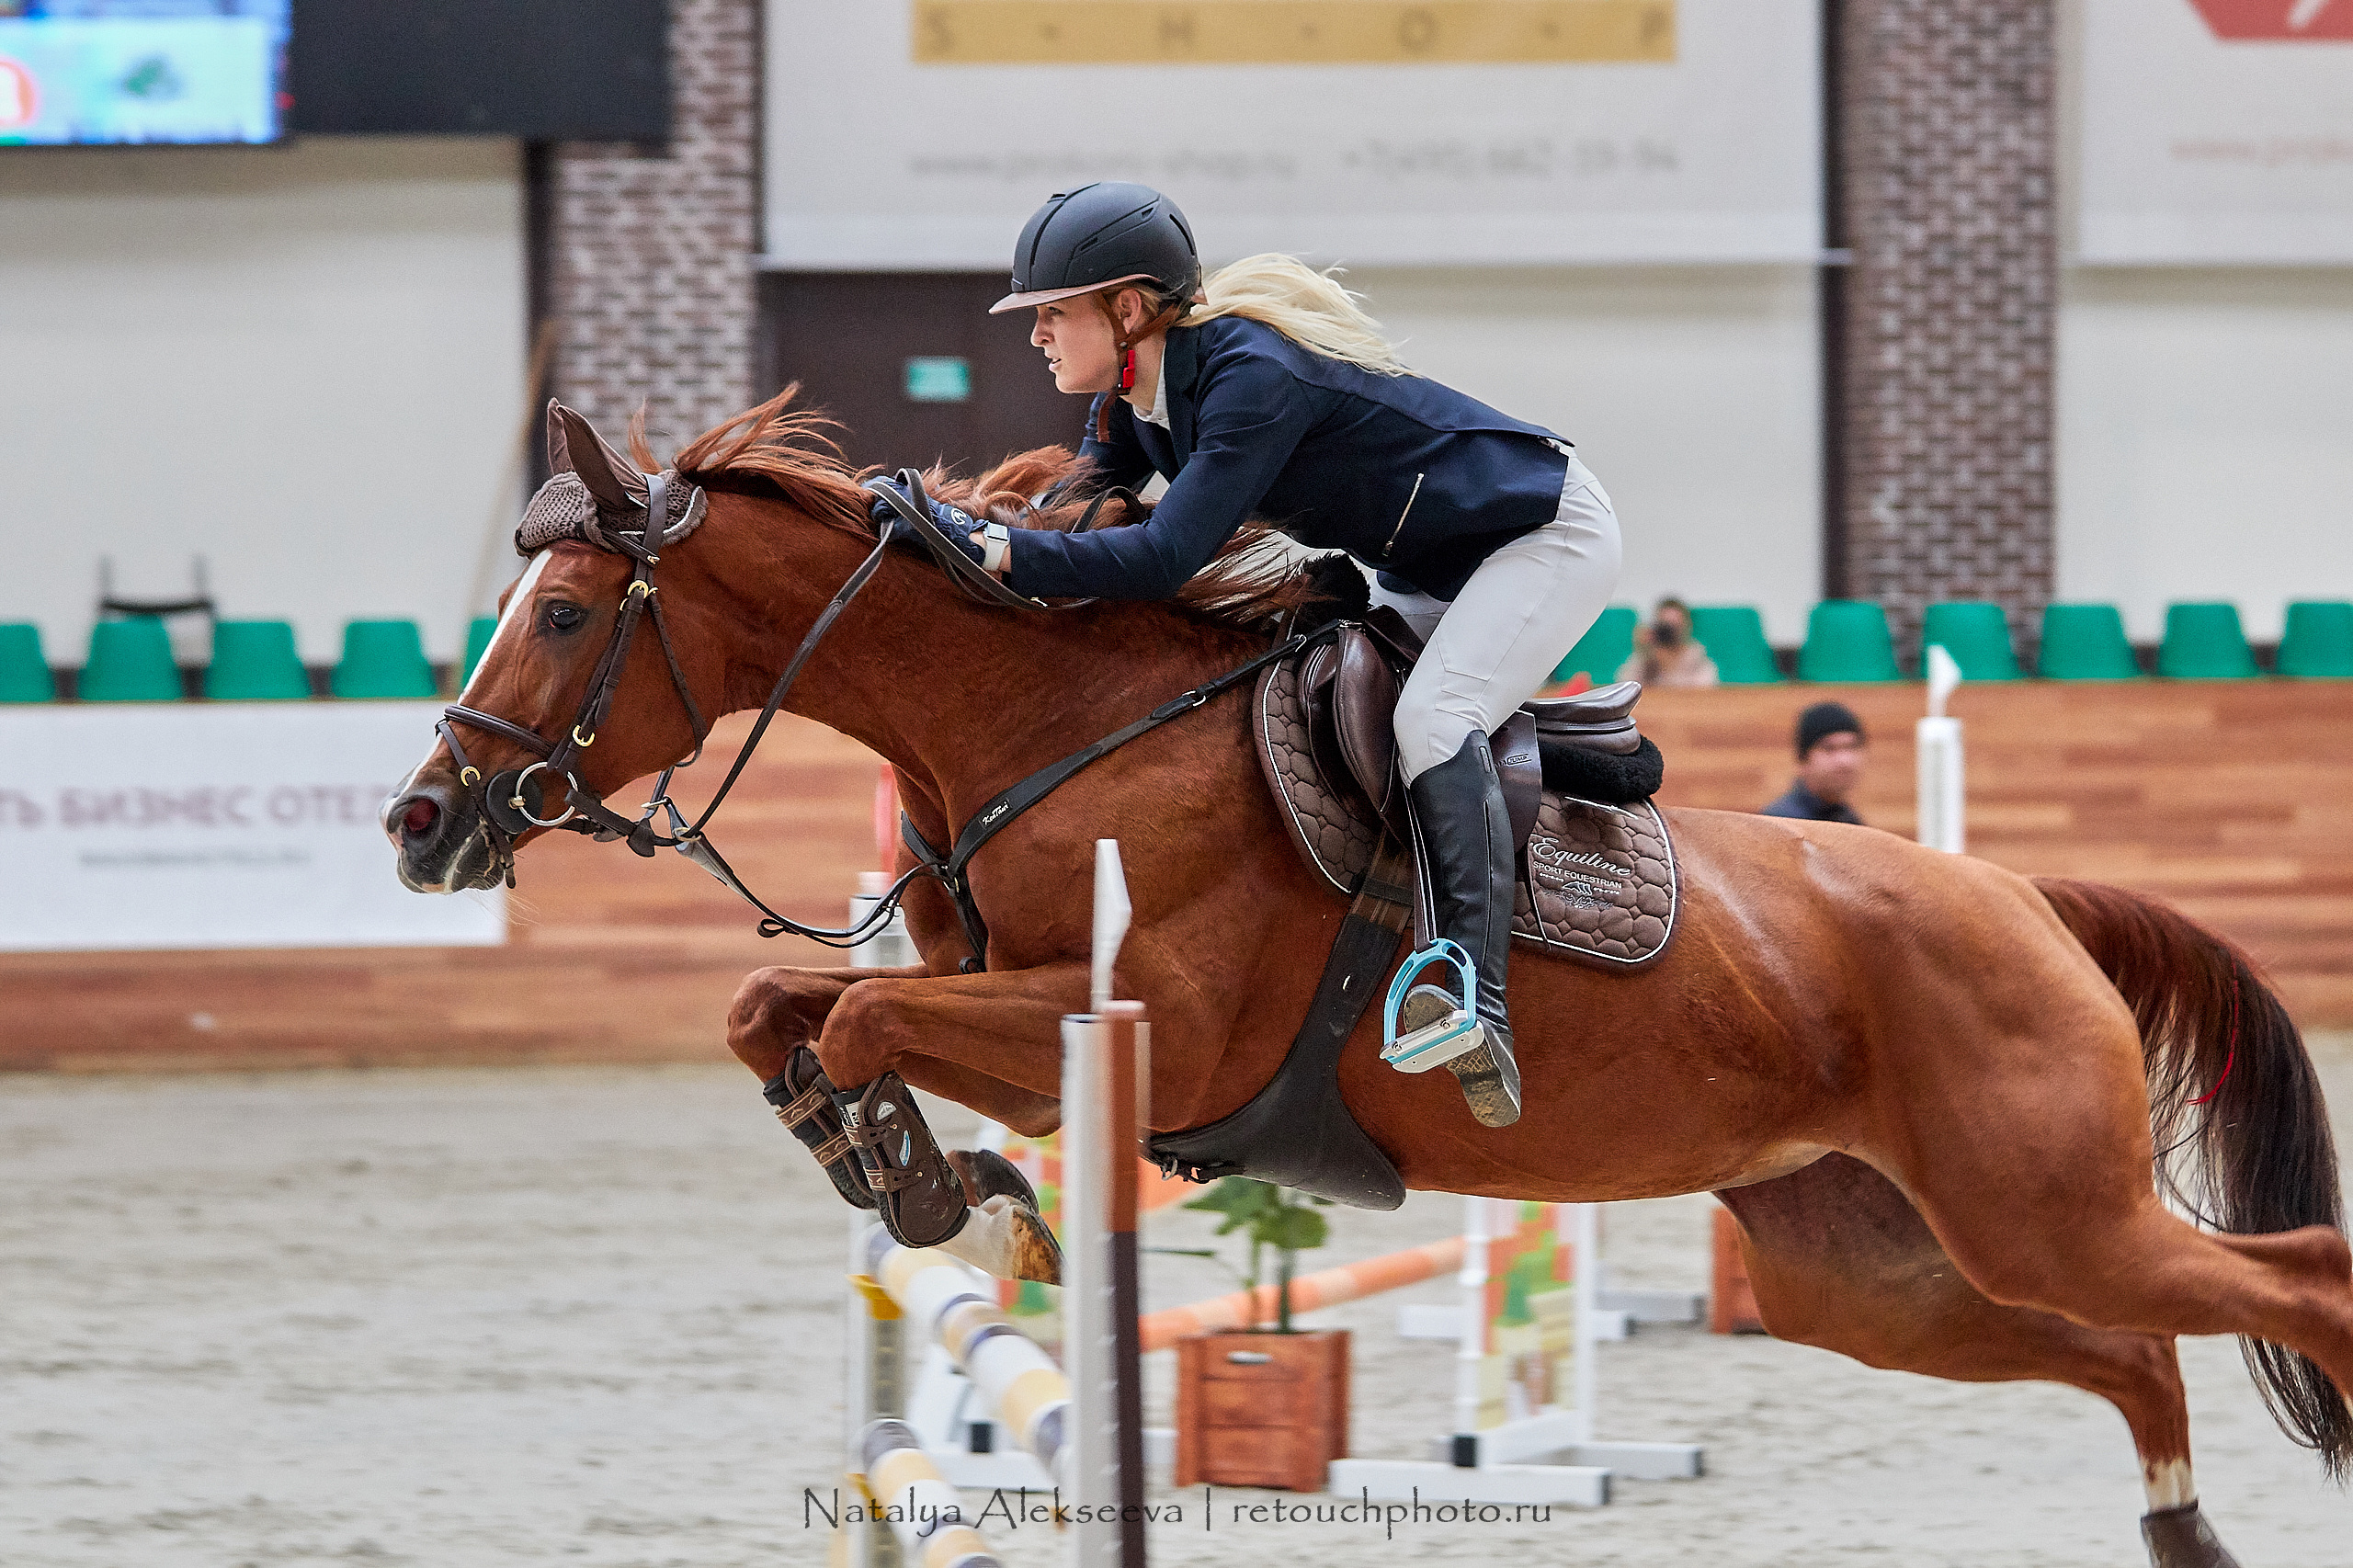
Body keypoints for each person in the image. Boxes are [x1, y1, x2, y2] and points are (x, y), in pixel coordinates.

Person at [869, 182, 1622, 1131]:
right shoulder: (1134, 400)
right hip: (1418, 562)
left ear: (1128, 309)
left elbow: (1161, 555)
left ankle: (1469, 989)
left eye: (1052, 312)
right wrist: (945, 528)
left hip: (1536, 535)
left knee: (1432, 719)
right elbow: (1078, 514)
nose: (1037, 335)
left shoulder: (1247, 376)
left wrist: (992, 549)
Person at [1762, 702, 1868, 824]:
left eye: (1851, 747)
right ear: (1803, 759)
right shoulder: (1783, 822)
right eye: (1829, 748)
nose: (1844, 760)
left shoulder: (1847, 818)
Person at [1619, 597, 1718, 688]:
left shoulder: (1697, 659)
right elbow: (1625, 688)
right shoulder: (1646, 658)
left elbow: (1705, 690)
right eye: (1665, 626)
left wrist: (1670, 666)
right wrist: (1645, 655)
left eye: (1674, 626)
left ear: (1686, 627)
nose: (1669, 633)